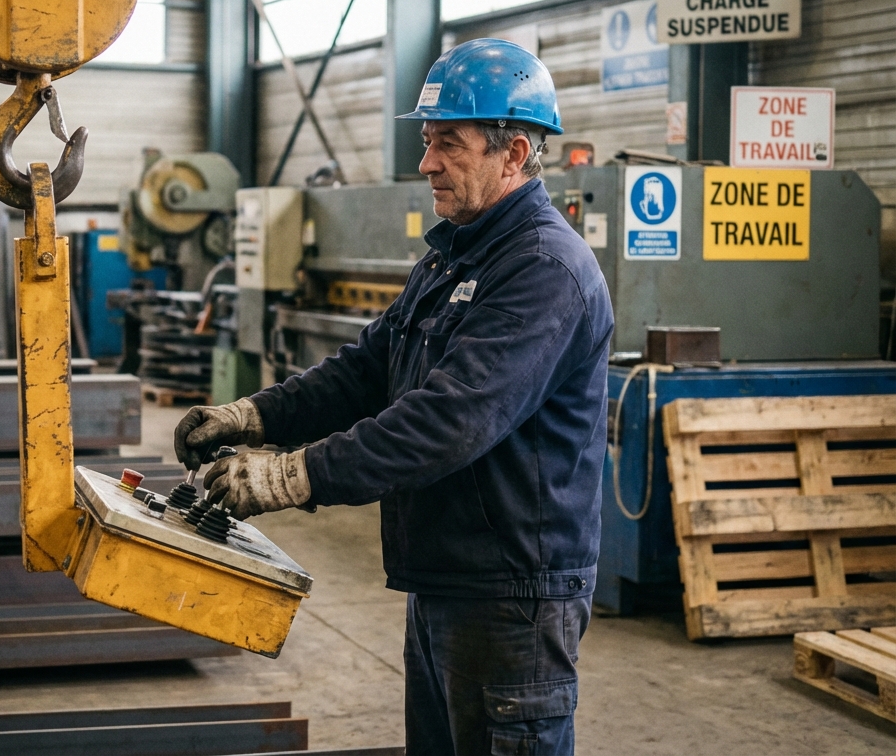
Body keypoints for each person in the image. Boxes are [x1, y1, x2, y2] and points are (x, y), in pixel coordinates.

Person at [174, 38, 614, 756]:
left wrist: (292, 474)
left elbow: (449, 419)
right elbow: (367, 369)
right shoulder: (454, 253)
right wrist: (251, 416)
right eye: (426, 140)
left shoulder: (544, 269)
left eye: (450, 143)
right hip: (447, 576)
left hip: (512, 595)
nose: (427, 163)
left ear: (516, 153)